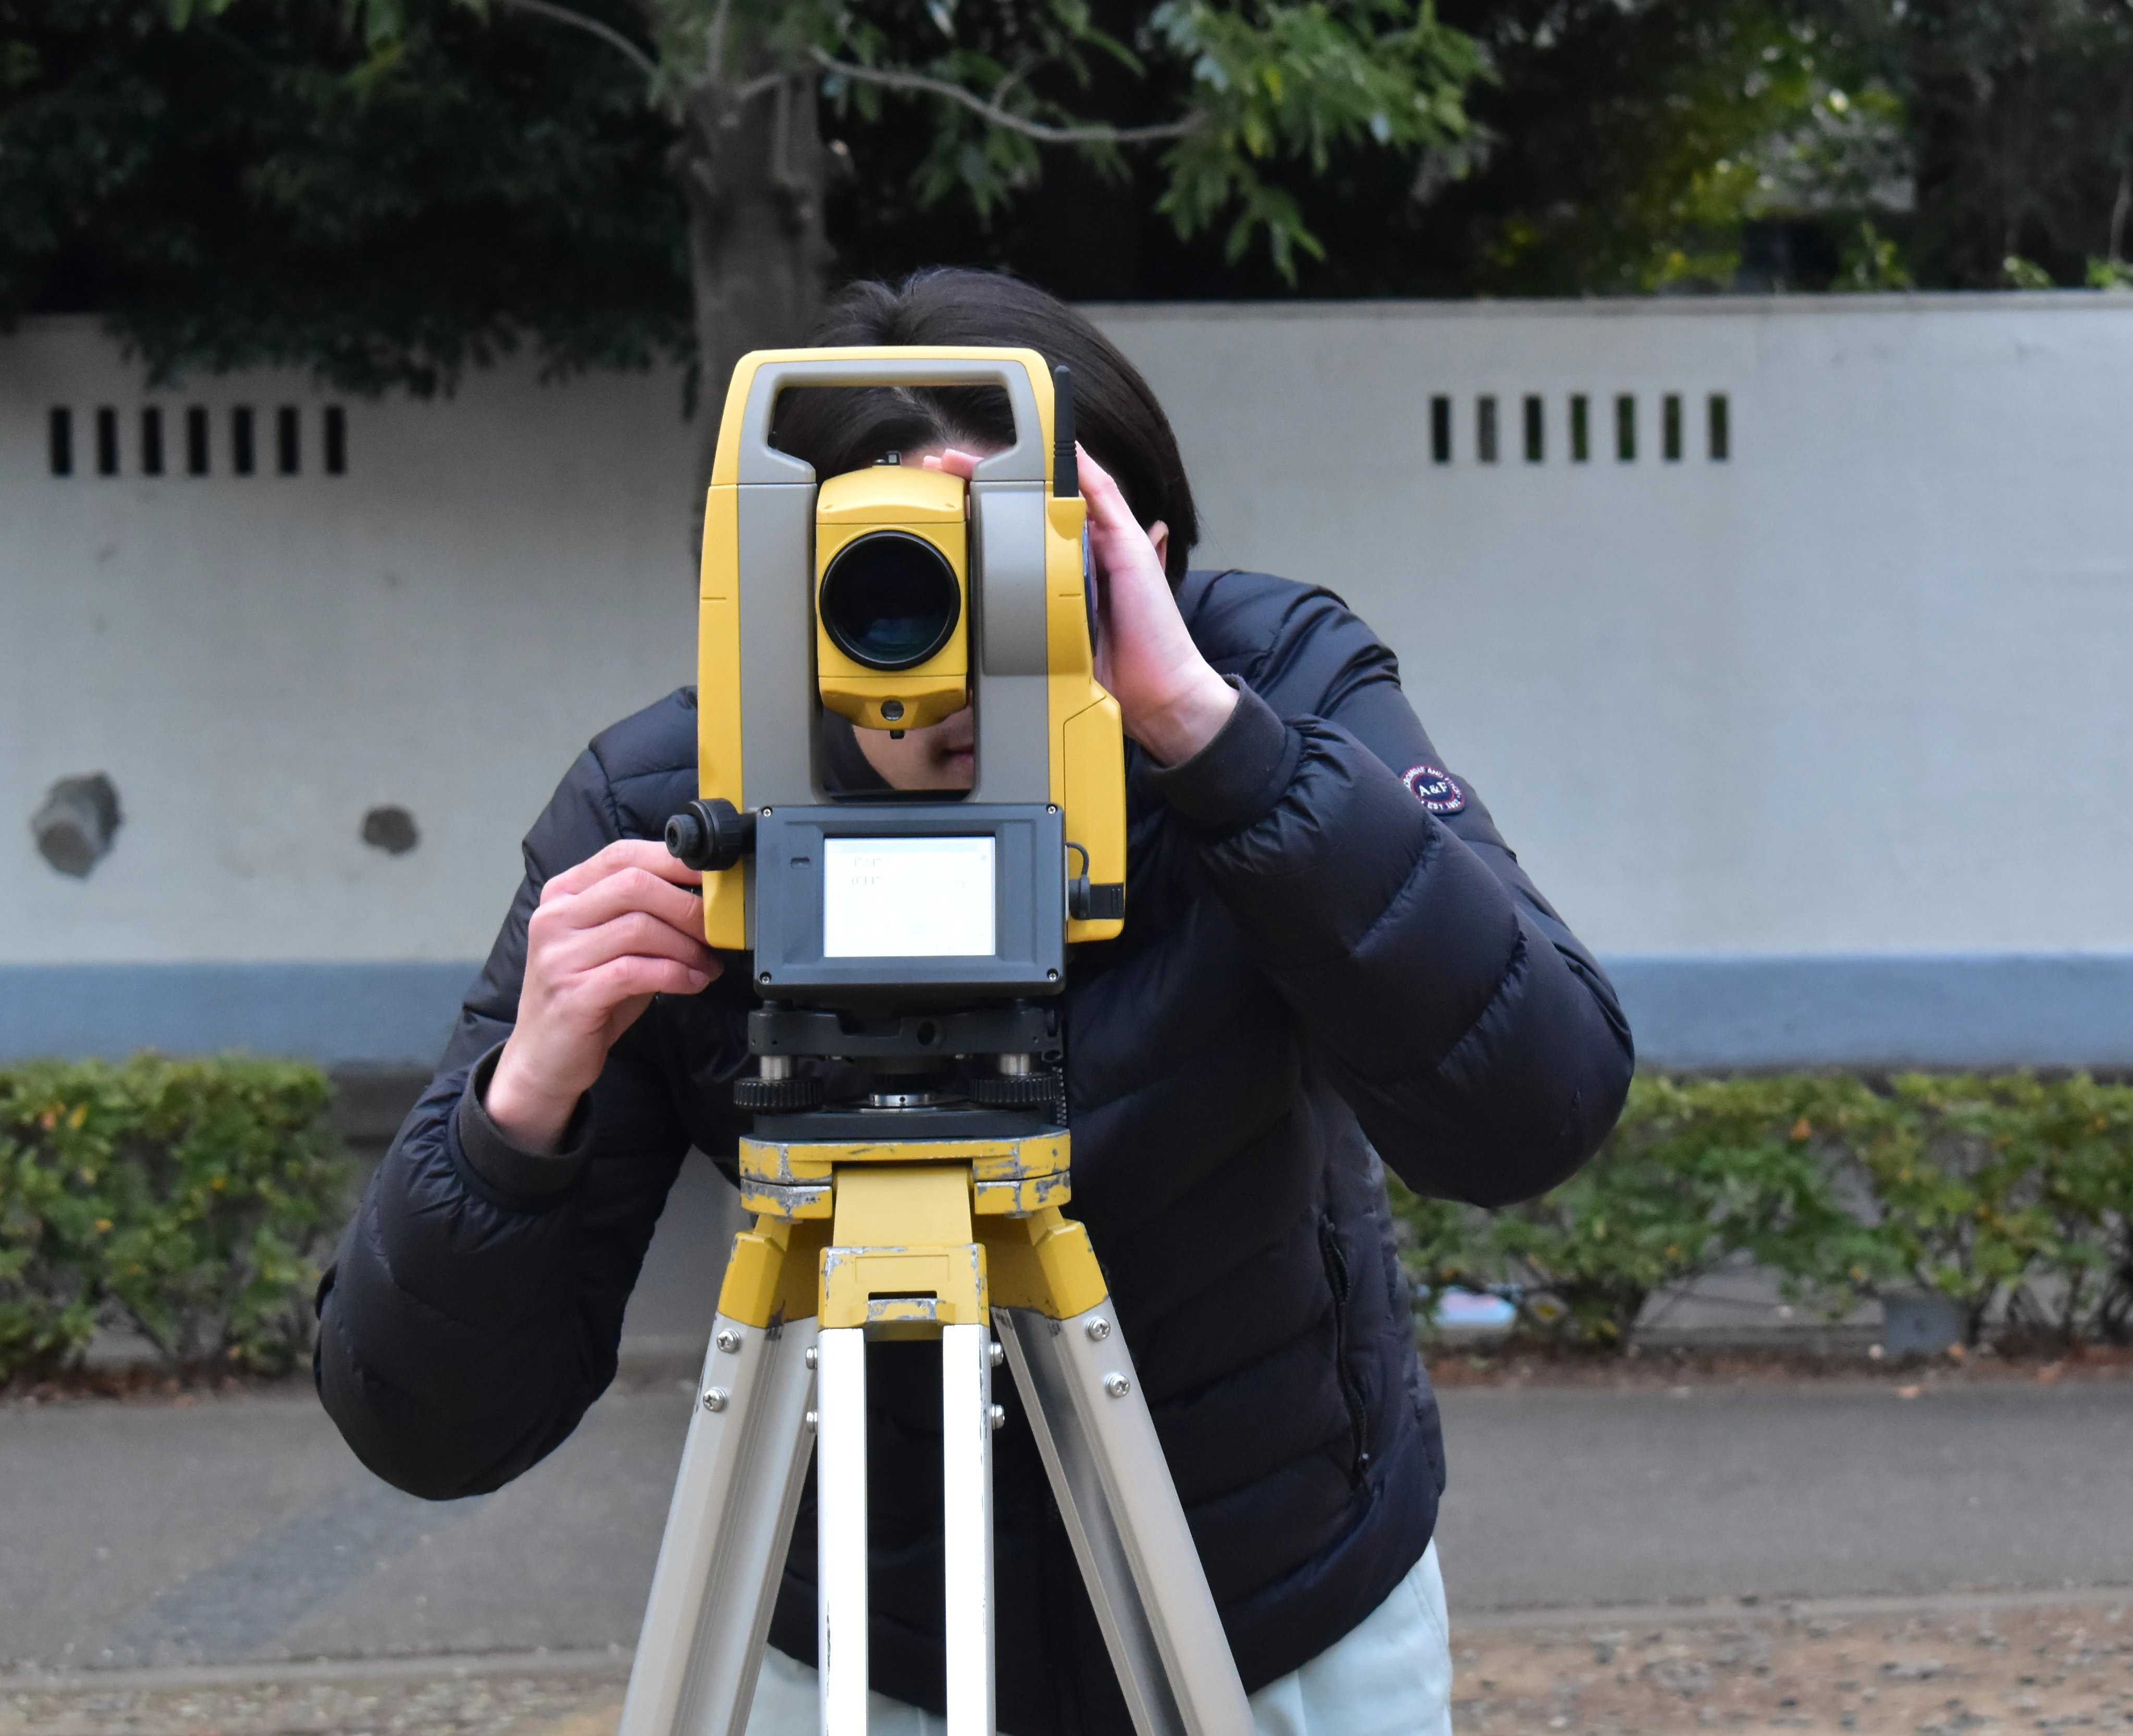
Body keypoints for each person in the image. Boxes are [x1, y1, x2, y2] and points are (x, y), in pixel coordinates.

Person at [311, 267, 1634, 1736]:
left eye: (1000, 567)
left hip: (1274, 1613)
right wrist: (521, 1108)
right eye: (878, 575)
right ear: (767, 577)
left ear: (1139, 546)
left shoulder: (1270, 688)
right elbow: (425, 1422)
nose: (941, 657)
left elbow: (1536, 1106)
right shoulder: (666, 810)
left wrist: (1217, 745)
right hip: (875, 1658)